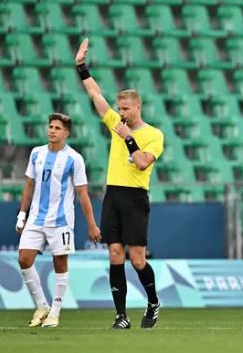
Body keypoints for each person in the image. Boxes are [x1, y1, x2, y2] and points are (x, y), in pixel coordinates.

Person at [75, 39, 165, 330]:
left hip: (136, 197)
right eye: (119, 108)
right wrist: (81, 66)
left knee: (137, 258)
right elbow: (95, 94)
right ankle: (121, 316)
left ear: (138, 106)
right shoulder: (115, 121)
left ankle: (152, 302)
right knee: (115, 253)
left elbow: (141, 162)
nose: (121, 112)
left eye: (126, 108)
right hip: (113, 194)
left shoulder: (153, 135)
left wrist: (127, 137)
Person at [15, 113, 101, 328]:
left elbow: (82, 194)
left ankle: (55, 311)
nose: (52, 130)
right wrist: (22, 214)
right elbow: (29, 185)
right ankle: (41, 306)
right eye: (50, 126)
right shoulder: (36, 153)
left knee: (60, 263)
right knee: (24, 260)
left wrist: (91, 224)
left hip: (60, 220)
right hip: (36, 218)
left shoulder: (74, 159)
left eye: (57, 128)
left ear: (66, 133)